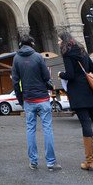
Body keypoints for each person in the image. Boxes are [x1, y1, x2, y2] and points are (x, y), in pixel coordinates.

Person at [58, 31, 93, 171]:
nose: (58, 42)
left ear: (64, 41)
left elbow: (70, 75)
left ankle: (90, 162)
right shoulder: (82, 50)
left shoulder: (67, 54)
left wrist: (60, 74)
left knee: (85, 124)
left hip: (78, 93)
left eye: (59, 40)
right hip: (90, 91)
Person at [11, 35, 59, 171]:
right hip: (42, 98)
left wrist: (21, 100)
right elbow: (46, 77)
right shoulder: (38, 57)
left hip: (28, 100)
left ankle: (33, 162)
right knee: (47, 129)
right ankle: (51, 163)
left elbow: (15, 82)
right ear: (32, 44)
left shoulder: (16, 58)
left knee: (30, 130)